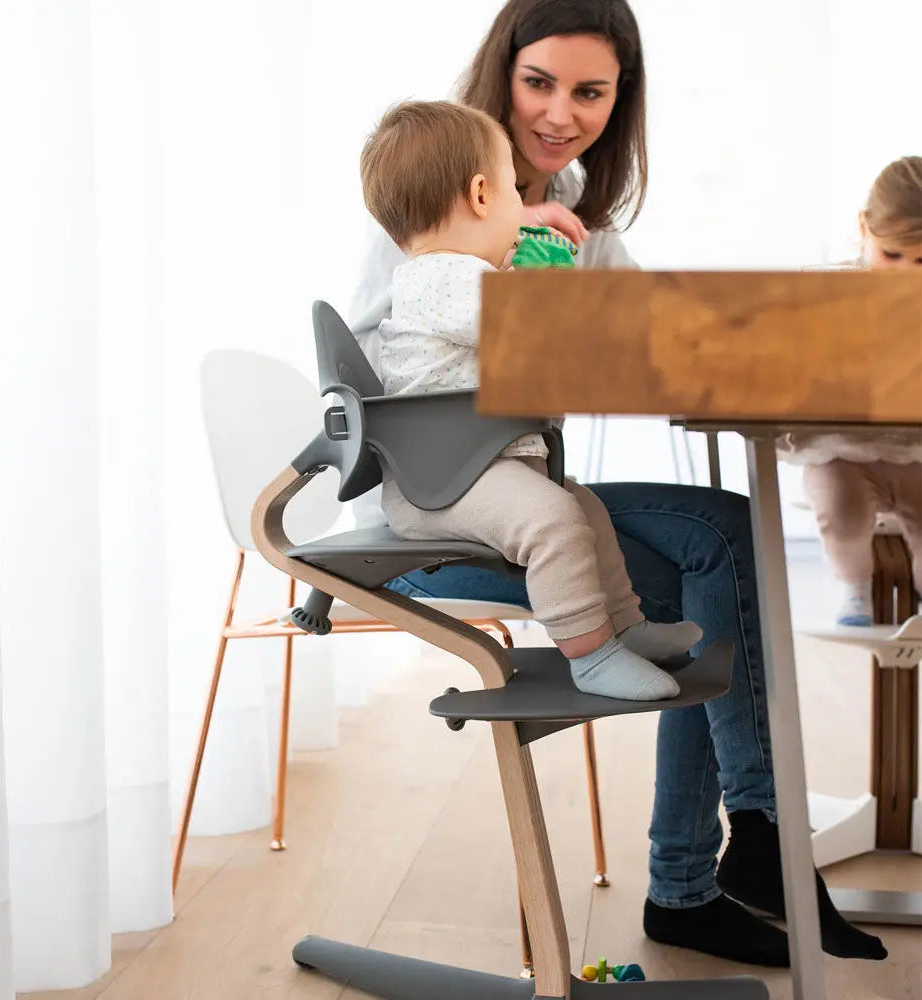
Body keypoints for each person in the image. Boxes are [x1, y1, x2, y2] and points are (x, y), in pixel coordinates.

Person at [348, 0, 886, 966]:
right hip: (441, 512)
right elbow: (395, 368)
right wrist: (537, 267)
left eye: (590, 91)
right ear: (501, 80)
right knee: (711, 557)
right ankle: (729, 856)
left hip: (511, 487)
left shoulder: (563, 210)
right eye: (539, 83)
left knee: (724, 531)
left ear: (619, 100)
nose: (560, 113)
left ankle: (725, 860)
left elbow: (635, 333)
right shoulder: (435, 199)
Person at [361, 98, 701, 701]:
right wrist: (551, 287)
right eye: (517, 191)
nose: (525, 206)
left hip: (475, 468)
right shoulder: (440, 276)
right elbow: (532, 329)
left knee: (586, 513)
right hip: (442, 483)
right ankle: (591, 655)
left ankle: (626, 628)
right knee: (556, 523)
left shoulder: (464, 278)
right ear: (483, 195)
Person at [780, 156, 922, 625]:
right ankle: (855, 588)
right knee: (839, 510)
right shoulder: (830, 288)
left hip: (916, 450)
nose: (904, 273)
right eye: (892, 255)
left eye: (921, 260)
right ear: (864, 228)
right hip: (843, 451)